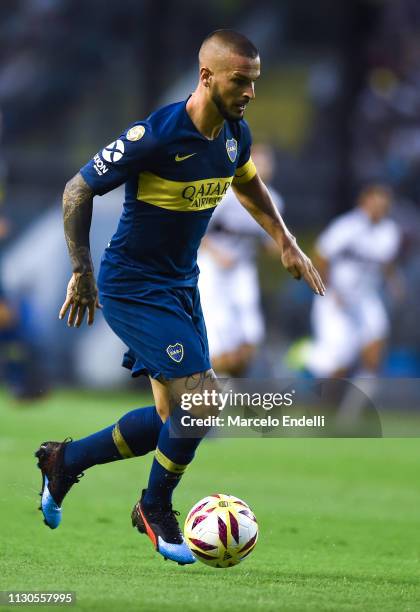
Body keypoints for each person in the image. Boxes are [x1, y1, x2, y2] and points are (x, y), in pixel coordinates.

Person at [35, 30, 325, 565]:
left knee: (176, 418)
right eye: (241, 81)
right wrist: (82, 270)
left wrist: (285, 241)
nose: (250, 93)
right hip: (133, 284)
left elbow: (248, 184)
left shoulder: (235, 134)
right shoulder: (155, 135)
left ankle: (64, 460)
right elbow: (77, 189)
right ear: (207, 76)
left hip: (180, 284)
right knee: (205, 400)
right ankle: (155, 505)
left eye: (255, 82)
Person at [198, 143, 283, 376]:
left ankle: (222, 387)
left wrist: (278, 248)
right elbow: (195, 229)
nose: (265, 167)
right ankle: (202, 389)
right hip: (212, 268)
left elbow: (268, 240)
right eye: (259, 162)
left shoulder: (273, 200)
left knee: (251, 338)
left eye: (268, 162)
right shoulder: (224, 194)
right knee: (219, 336)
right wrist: (217, 253)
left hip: (242, 270)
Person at [305, 184, 401, 379]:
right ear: (363, 202)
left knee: (375, 348)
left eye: (383, 204)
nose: (379, 208)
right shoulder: (347, 226)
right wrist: (328, 289)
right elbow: (321, 255)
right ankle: (309, 367)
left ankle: (357, 403)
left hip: (365, 297)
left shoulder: (390, 231)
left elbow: (386, 262)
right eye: (375, 202)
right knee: (337, 363)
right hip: (336, 298)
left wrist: (394, 283)